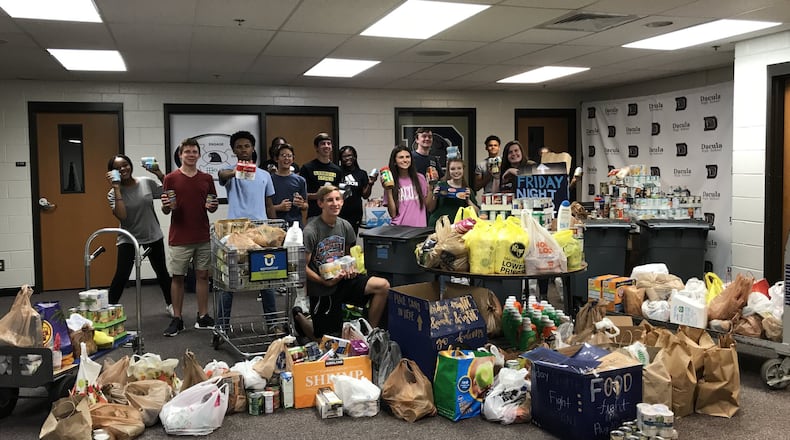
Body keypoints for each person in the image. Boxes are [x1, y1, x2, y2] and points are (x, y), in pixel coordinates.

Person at [296, 185, 389, 339]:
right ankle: (299, 316)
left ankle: (371, 334)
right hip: (322, 287)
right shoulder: (311, 231)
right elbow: (302, 267)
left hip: (342, 281)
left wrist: (351, 269)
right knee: (325, 341)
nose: (335, 203)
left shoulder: (345, 226)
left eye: (338, 199)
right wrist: (323, 282)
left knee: (382, 286)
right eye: (329, 200)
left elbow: (348, 256)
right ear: (320, 204)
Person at [215, 131, 279, 332]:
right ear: (234, 150)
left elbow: (269, 203)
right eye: (239, 146)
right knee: (229, 281)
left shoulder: (265, 175)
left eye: (247, 146)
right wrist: (239, 171)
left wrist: (273, 227)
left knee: (267, 278)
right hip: (236, 231)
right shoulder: (229, 172)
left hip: (260, 230)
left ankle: (272, 324)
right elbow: (221, 176)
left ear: (253, 148)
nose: (243, 149)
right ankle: (222, 326)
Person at [160, 138, 219, 336]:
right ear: (180, 155)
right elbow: (166, 209)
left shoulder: (206, 179)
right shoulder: (170, 178)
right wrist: (166, 206)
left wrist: (213, 206)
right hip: (179, 236)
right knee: (178, 277)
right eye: (187, 152)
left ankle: (203, 316)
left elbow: (213, 203)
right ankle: (177, 318)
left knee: (203, 276)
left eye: (194, 151)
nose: (191, 154)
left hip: (202, 234)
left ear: (199, 154)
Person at [105, 154, 172, 314]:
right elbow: (122, 216)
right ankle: (108, 310)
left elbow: (169, 190)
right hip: (128, 238)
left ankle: (171, 305)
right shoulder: (112, 193)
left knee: (162, 272)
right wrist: (116, 187)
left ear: (130, 165)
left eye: (125, 165)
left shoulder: (146, 182)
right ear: (111, 172)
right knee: (121, 275)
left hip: (151, 233)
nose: (122, 169)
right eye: (117, 168)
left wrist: (159, 174)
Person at [382, 146, 428, 227]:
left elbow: (427, 204)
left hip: (419, 229)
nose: (405, 160)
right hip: (399, 230)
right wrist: (388, 190)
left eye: (407, 157)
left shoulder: (420, 178)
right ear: (395, 161)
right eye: (401, 157)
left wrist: (431, 186)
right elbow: (392, 214)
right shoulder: (390, 181)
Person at [301, 132, 342, 219]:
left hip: (332, 214)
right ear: (317, 147)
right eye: (323, 144)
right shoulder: (307, 168)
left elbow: (340, 193)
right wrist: (317, 195)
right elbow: (302, 195)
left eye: (329, 143)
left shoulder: (337, 170)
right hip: (314, 215)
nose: (326, 146)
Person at [427, 157, 478, 227]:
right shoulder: (441, 186)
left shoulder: (467, 190)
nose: (456, 171)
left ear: (463, 170)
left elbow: (476, 212)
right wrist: (434, 197)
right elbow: (430, 209)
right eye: (453, 169)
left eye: (459, 168)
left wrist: (468, 200)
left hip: (457, 228)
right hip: (438, 226)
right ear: (449, 171)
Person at [271, 143, 308, 227]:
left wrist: (301, 204)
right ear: (276, 158)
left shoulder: (300, 180)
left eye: (289, 156)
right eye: (283, 155)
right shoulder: (269, 180)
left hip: (295, 225)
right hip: (275, 225)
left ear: (293, 159)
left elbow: (306, 205)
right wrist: (279, 207)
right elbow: (264, 207)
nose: (286, 158)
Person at [338, 145, 373, 234]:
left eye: (350, 155)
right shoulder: (337, 172)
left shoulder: (361, 173)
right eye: (344, 156)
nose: (347, 158)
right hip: (339, 213)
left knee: (352, 242)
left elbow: (365, 195)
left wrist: (370, 184)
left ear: (354, 157)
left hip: (355, 213)